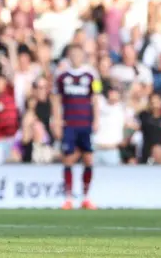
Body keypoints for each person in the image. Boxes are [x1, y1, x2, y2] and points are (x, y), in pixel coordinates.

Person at [52, 44, 101, 210]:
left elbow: (95, 98)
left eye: (78, 54)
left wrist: (96, 119)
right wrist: (57, 121)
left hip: (85, 123)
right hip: (69, 123)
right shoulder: (61, 75)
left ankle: (86, 197)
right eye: (72, 54)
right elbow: (57, 100)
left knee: (88, 159)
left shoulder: (91, 74)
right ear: (69, 56)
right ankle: (68, 198)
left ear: (83, 56)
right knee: (68, 159)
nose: (75, 57)